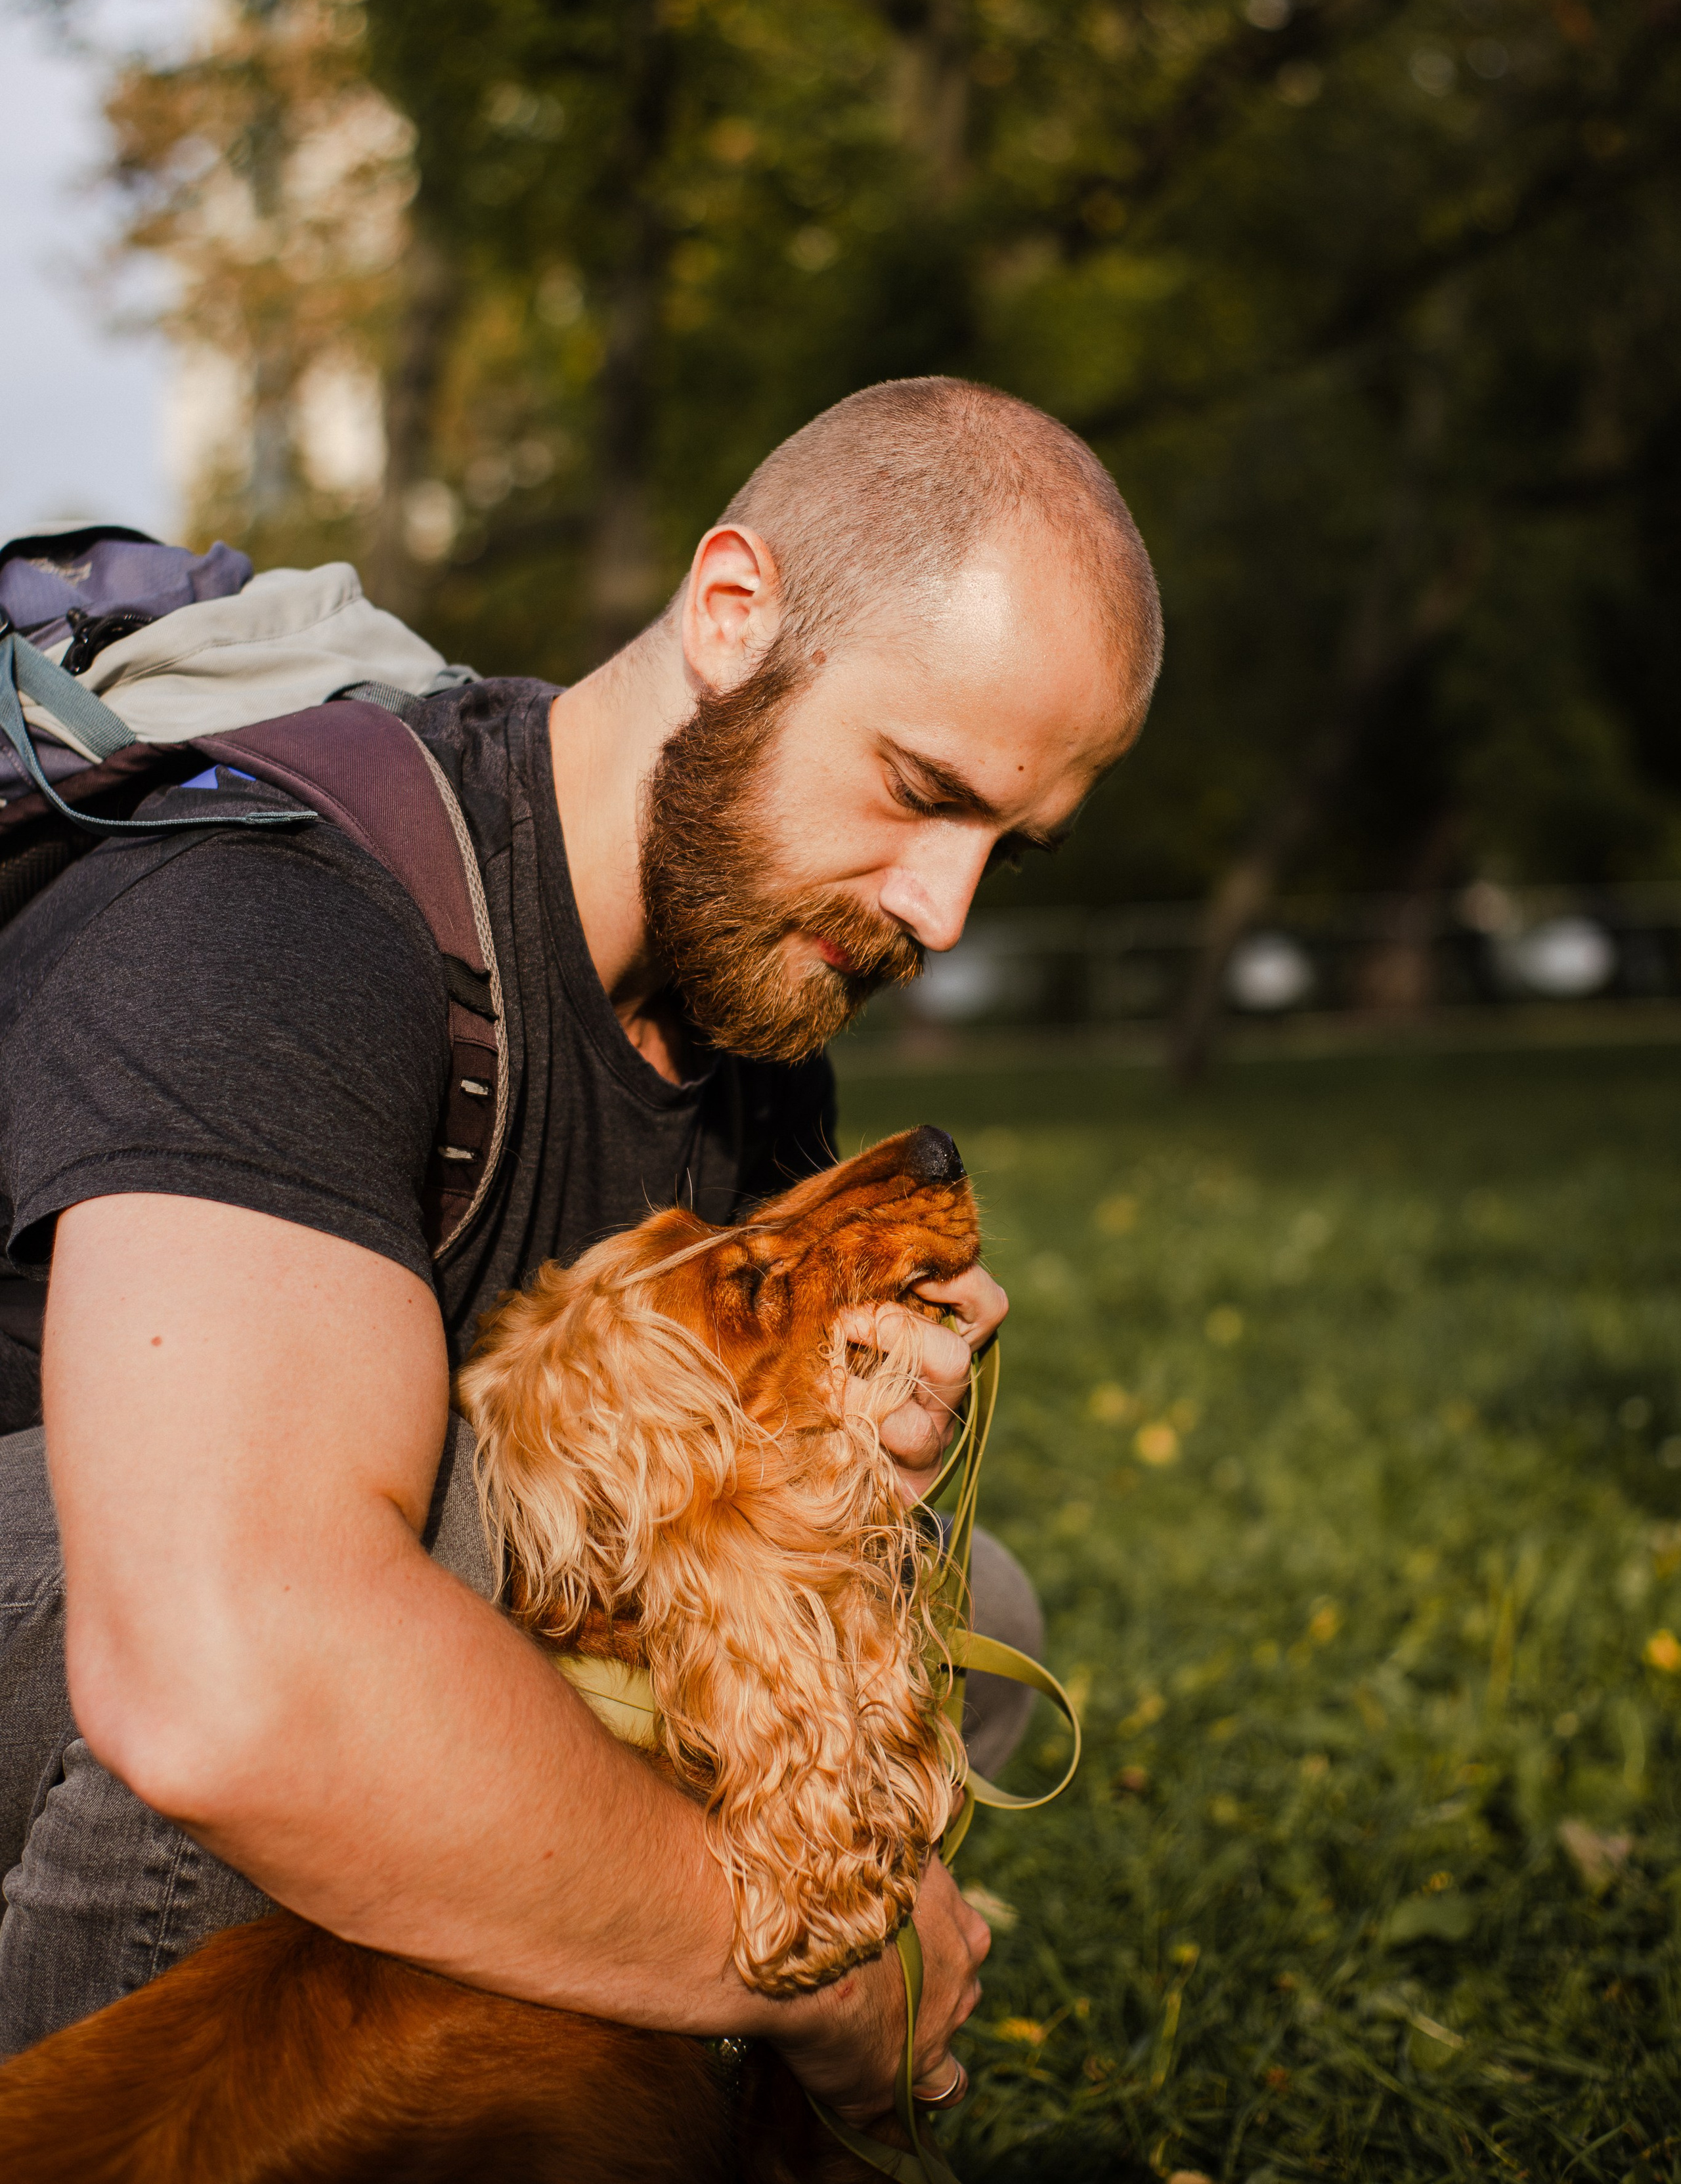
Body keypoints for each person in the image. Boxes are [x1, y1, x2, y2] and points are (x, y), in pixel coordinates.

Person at [0, 375, 1161, 2122]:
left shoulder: (751, 1001)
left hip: (207, 1619)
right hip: (139, 1633)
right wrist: (799, 1954)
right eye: (920, 790)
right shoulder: (288, 911)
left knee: (942, 1602)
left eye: (1006, 843)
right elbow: (225, 1676)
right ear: (731, 617)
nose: (944, 908)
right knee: (393, 1615)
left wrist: (841, 1435)